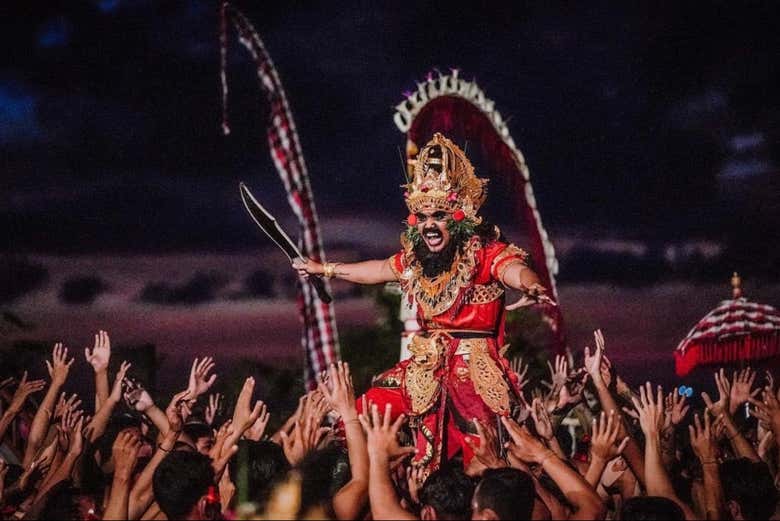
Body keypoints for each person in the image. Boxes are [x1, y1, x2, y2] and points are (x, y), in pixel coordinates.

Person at [294, 133, 554, 472]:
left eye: (439, 216)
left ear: (459, 218)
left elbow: (514, 270)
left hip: (472, 376)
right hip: (424, 370)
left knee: (482, 463)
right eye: (424, 217)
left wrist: (531, 284)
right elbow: (378, 269)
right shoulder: (416, 260)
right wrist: (323, 268)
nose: (430, 225)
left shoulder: (484, 253)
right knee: (359, 417)